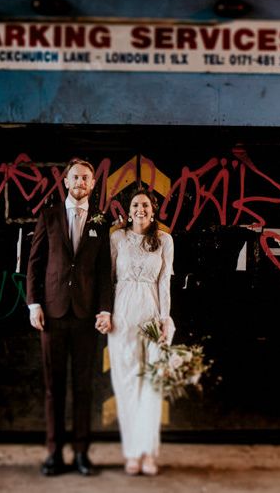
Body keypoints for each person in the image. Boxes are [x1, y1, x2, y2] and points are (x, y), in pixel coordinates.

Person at [26, 158, 113, 477]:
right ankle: (53, 453)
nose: (80, 181)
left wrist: (105, 308)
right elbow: (35, 264)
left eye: (86, 178)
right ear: (65, 182)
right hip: (52, 313)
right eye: (75, 176)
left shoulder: (102, 223)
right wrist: (34, 304)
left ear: (93, 184)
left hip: (86, 316)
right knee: (54, 387)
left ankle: (80, 453)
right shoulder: (48, 216)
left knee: (83, 388)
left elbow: (105, 271)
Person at [105, 186, 175, 476]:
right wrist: (105, 313)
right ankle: (133, 452)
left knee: (151, 385)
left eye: (145, 205)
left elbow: (164, 283)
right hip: (122, 314)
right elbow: (107, 279)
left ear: (153, 208)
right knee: (126, 384)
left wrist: (164, 318)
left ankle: (148, 453)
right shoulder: (117, 238)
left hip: (150, 313)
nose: (140, 210)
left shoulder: (164, 240)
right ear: (127, 209)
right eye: (135, 205)